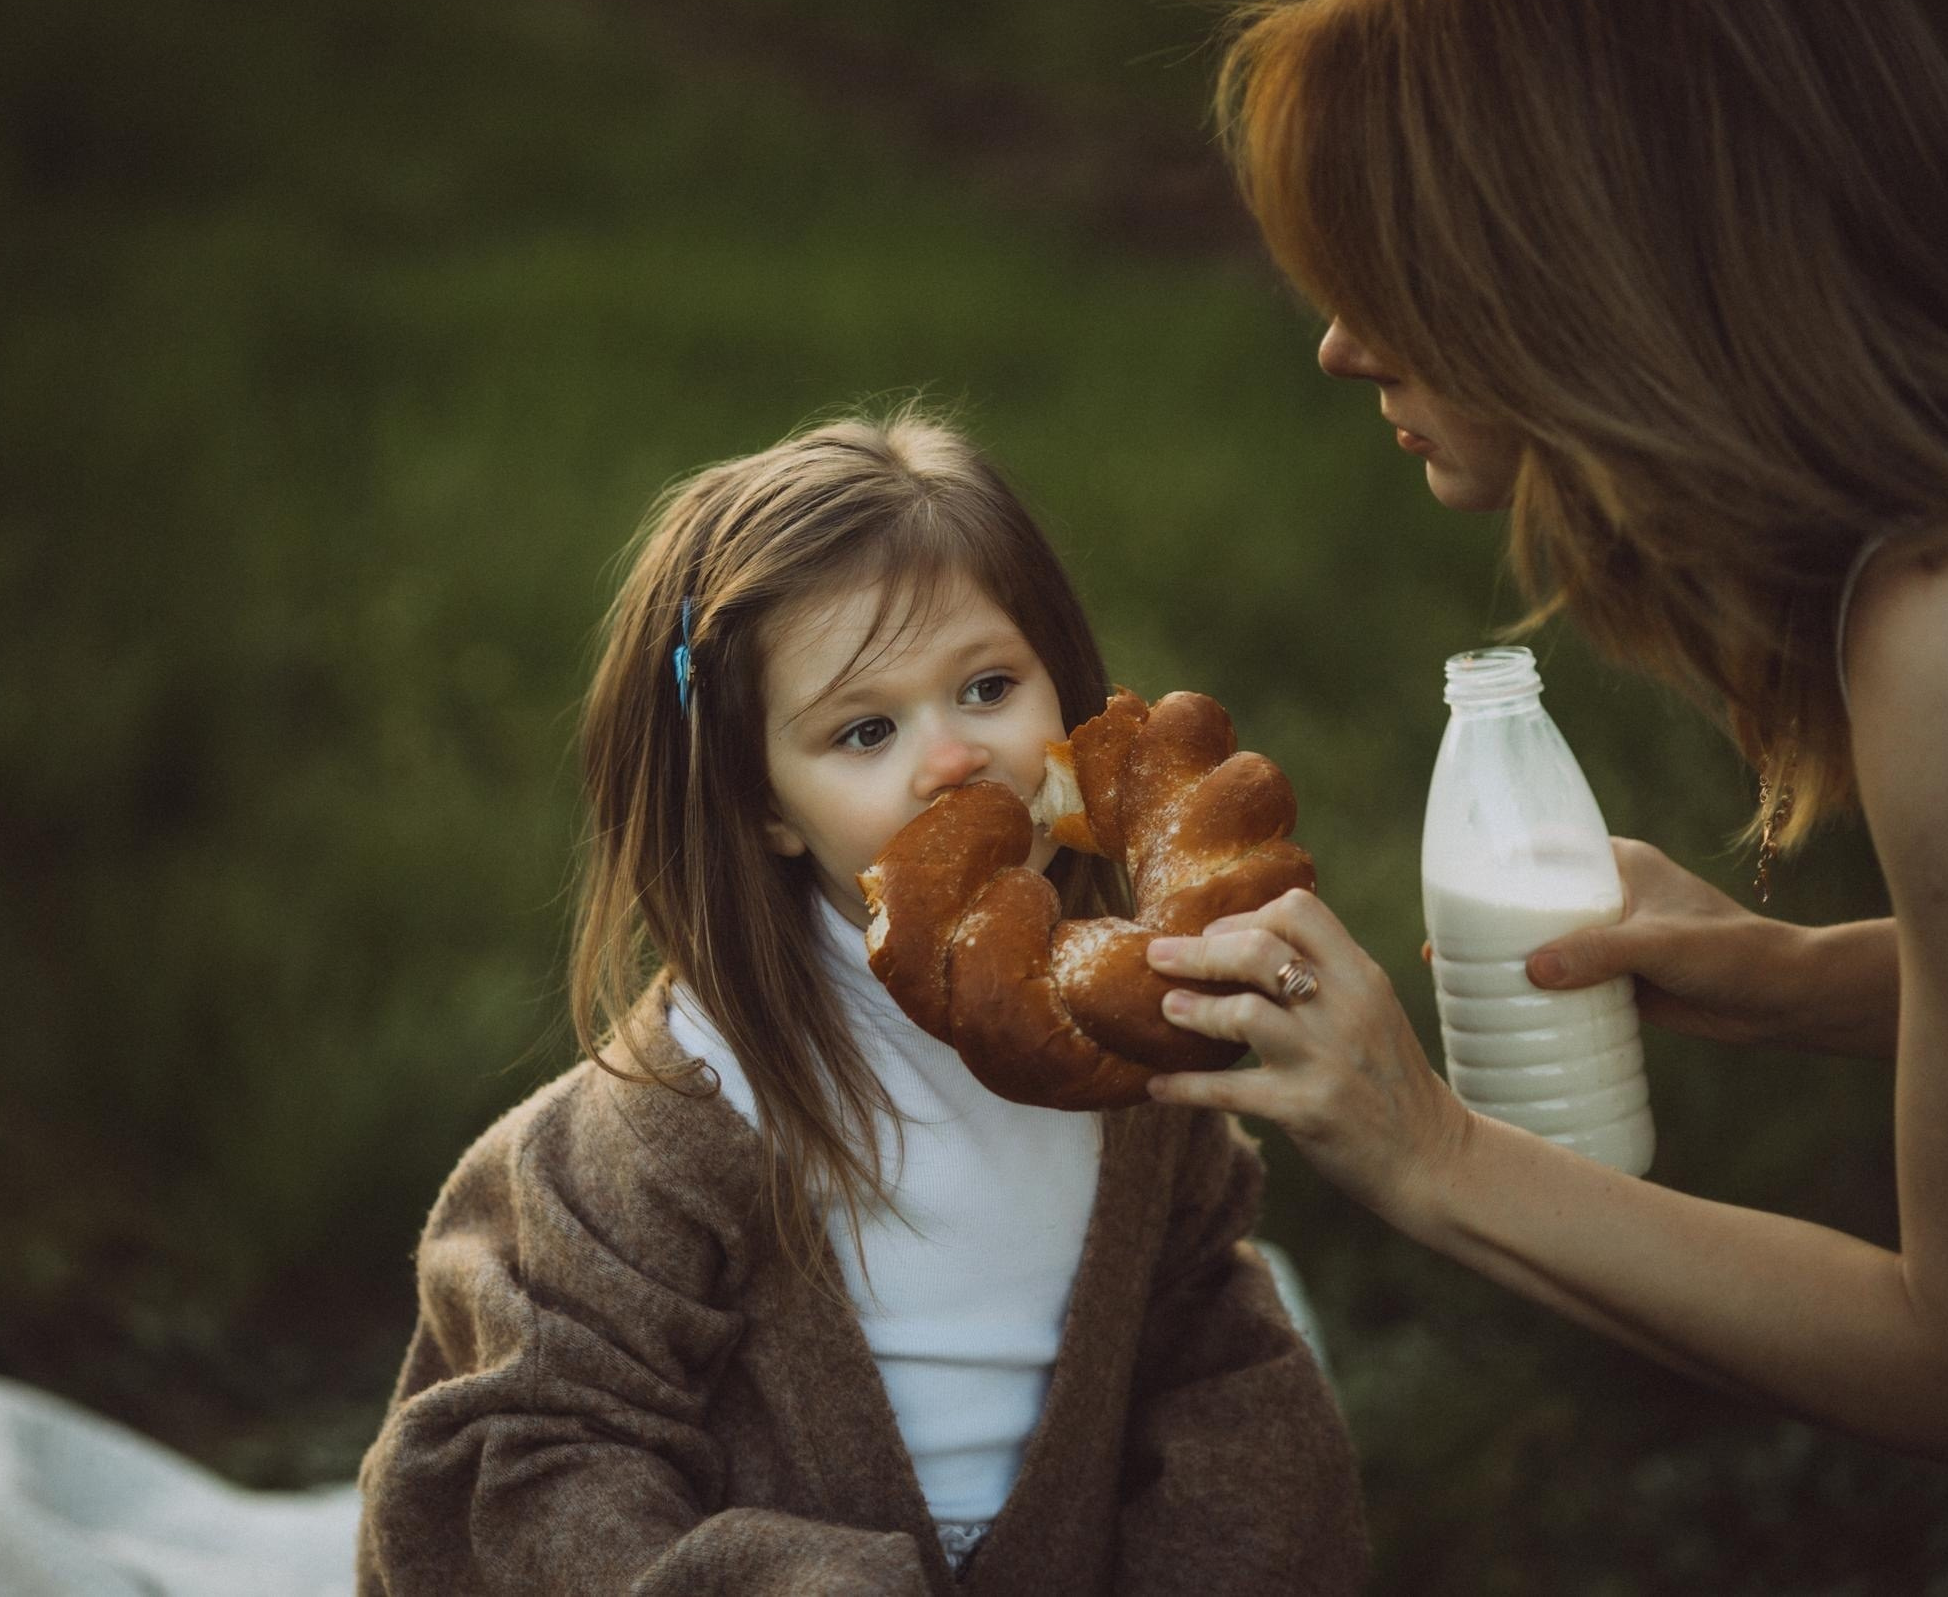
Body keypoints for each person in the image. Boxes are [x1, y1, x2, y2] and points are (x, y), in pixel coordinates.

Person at [1142, 0, 1948, 1480]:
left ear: (1562, 265)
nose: (1338, 346)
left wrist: (1434, 1152)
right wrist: (1798, 974)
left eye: (1381, 269)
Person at [355, 410, 1368, 1594]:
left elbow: (1208, 1350)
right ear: (765, 806)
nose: (951, 759)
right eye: (865, 729)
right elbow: (549, 1456)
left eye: (988, 686)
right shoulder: (677, 1118)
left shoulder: (1129, 1047)